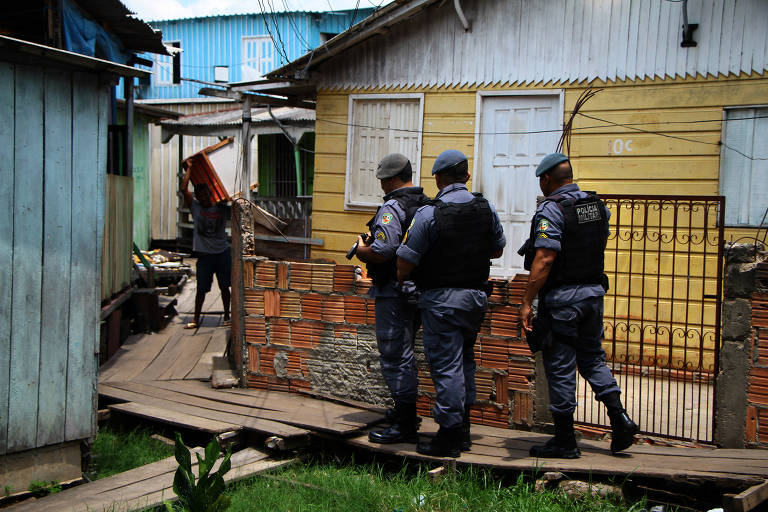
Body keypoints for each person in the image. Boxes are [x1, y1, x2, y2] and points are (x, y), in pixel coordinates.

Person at [519, 152, 638, 459]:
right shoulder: (596, 206)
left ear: (546, 179)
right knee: (592, 359)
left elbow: (545, 258)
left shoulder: (552, 209)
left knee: (560, 368)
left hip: (563, 301)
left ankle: (565, 440)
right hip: (593, 296)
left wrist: (526, 301)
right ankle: (620, 418)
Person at [396, 150, 506, 458]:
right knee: (465, 362)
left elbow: (405, 259)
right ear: (467, 177)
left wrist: (404, 278)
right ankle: (464, 431)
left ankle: (448, 437)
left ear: (438, 178)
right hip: (475, 299)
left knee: (447, 367)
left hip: (442, 301)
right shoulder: (486, 208)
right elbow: (497, 250)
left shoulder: (430, 213)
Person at [354, 153, 429, 445]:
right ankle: (403, 412)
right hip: (419, 290)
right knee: (406, 354)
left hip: (393, 291)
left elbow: (384, 250)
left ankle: (406, 424)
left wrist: (362, 251)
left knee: (396, 356)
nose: (382, 186)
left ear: (391, 179)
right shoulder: (425, 203)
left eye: (383, 181)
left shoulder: (393, 207)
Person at [180, 167, 231, 329]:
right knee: (201, 289)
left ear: (210, 194)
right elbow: (183, 189)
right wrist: (190, 168)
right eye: (199, 196)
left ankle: (227, 316)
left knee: (225, 287)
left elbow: (231, 195)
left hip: (222, 253)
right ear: (197, 197)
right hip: (204, 256)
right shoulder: (196, 208)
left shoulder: (222, 207)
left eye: (205, 194)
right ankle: (196, 319)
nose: (202, 198)